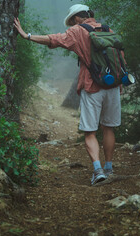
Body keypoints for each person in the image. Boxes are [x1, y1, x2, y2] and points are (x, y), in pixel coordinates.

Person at [14, 4, 121, 185]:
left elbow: (53, 40)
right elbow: (120, 59)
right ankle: (109, 168)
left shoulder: (77, 31)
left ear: (77, 18)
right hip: (114, 86)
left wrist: (28, 36)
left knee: (90, 132)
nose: (71, 24)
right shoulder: (107, 29)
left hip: (92, 86)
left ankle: (98, 171)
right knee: (108, 128)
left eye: (71, 21)